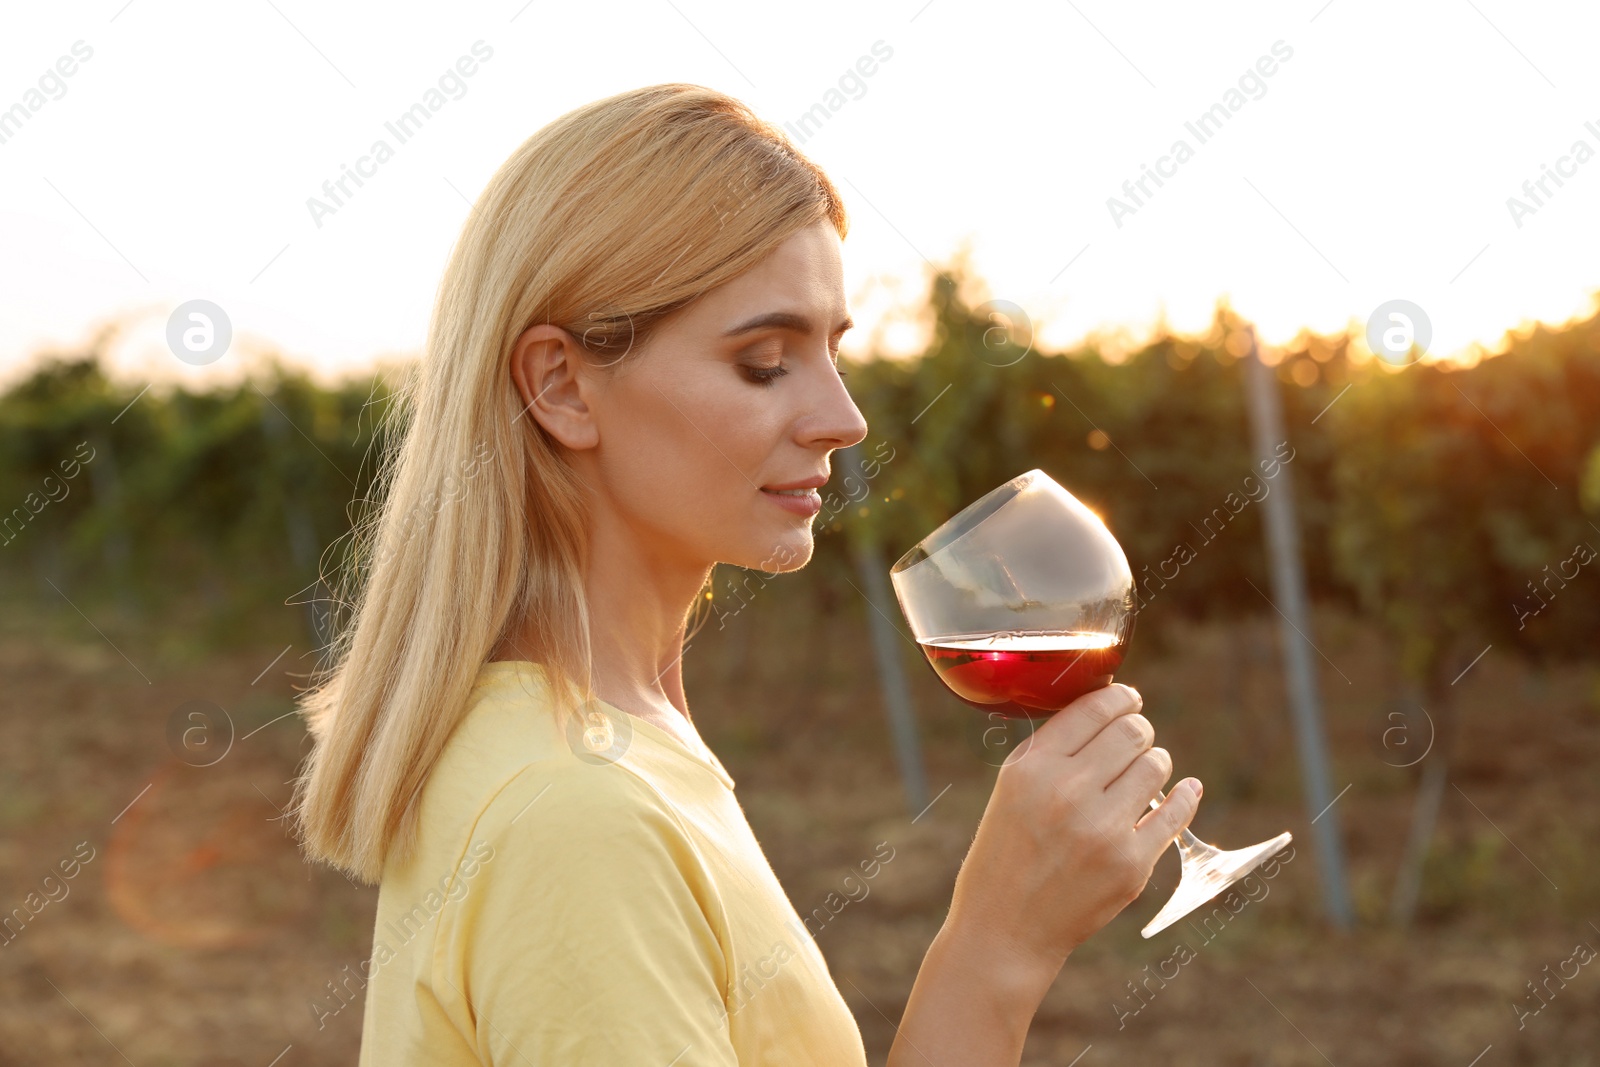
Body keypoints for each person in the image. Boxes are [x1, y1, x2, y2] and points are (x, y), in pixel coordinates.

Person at [288, 82, 1201, 1066]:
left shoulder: (610, 737)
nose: (842, 418)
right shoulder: (578, 816)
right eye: (765, 361)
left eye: (832, 350)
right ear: (560, 384)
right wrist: (996, 950)